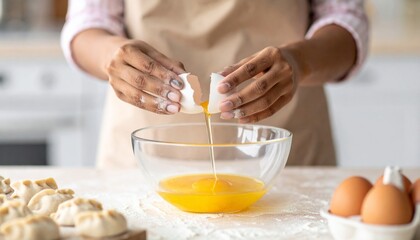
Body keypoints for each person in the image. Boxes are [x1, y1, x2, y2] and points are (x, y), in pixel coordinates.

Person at [62, 0, 368, 168]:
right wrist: (111, 57)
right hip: (144, 162)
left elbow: (345, 17)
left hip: (286, 159)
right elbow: (88, 21)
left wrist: (299, 62)